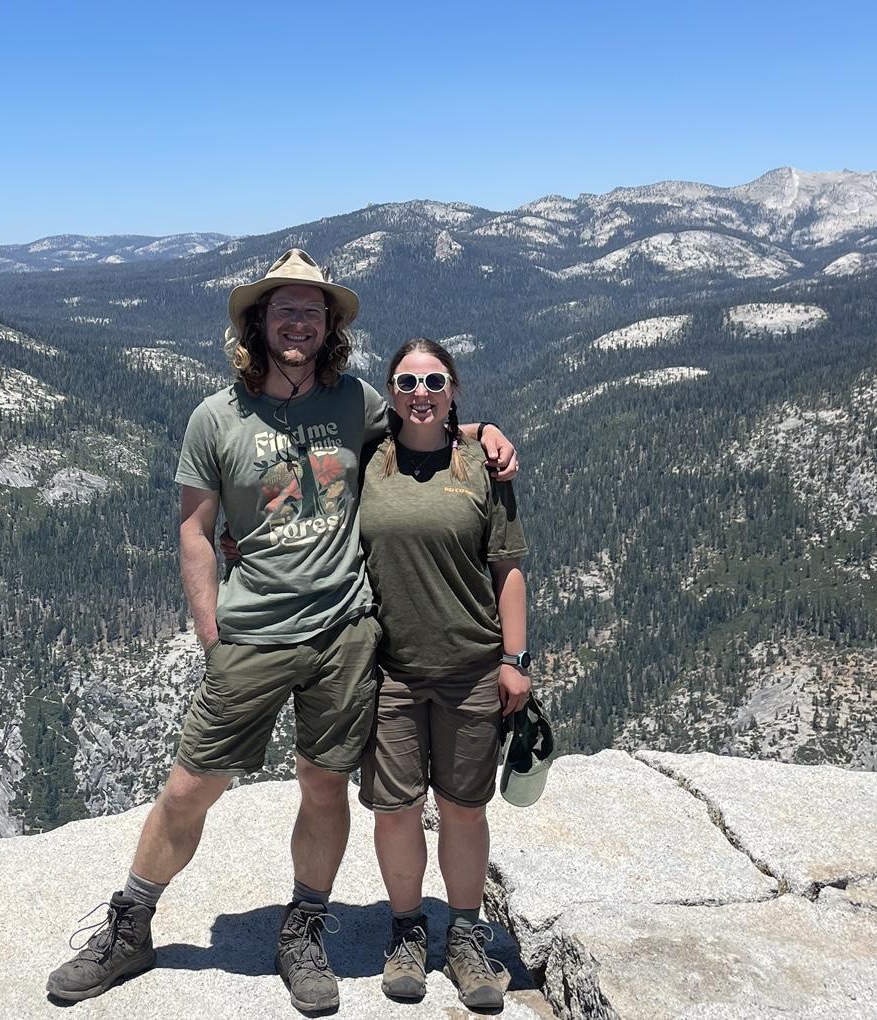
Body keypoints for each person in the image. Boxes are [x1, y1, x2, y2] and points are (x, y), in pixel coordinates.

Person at [45, 249, 517, 1013]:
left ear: (329, 326)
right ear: (258, 322)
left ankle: (303, 931)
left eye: (312, 310)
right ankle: (130, 926)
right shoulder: (215, 418)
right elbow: (195, 532)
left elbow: (422, 426)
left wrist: (483, 431)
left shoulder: (355, 400)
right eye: (285, 308)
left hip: (344, 632)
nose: (299, 322)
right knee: (190, 787)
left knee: (323, 785)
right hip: (252, 633)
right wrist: (212, 636)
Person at [357, 337, 529, 1010]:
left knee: (463, 807)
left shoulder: (484, 467)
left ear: (453, 388)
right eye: (407, 382)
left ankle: (464, 935)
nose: (420, 393)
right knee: (396, 810)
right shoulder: (367, 461)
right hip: (389, 671)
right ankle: (407, 931)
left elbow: (507, 569)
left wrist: (514, 660)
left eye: (434, 381)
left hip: (471, 668)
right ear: (391, 394)